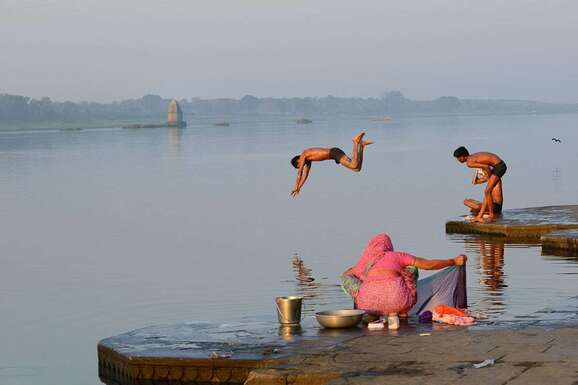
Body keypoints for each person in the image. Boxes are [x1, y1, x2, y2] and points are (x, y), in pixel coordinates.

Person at [341, 234, 467, 329]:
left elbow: (346, 275)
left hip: (367, 305)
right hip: (398, 302)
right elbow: (428, 265)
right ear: (388, 246)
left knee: (350, 280)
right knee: (411, 268)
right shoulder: (396, 256)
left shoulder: (364, 262)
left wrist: (362, 275)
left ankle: (373, 314)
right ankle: (402, 312)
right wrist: (453, 261)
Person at [289, 132, 373, 197]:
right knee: (357, 169)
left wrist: (295, 186)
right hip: (334, 155)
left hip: (334, 152)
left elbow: (300, 173)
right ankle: (361, 146)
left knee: (354, 165)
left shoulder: (304, 154)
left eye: (300, 165)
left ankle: (355, 142)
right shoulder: (308, 161)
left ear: (298, 161)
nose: (302, 166)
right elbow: (305, 175)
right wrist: (299, 188)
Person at [453, 146, 507, 223]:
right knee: (486, 191)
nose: (458, 160)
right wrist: (488, 177)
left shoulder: (469, 162)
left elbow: (486, 166)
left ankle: (490, 215)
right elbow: (485, 166)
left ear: (462, 156)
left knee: (487, 191)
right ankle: (481, 215)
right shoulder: (472, 157)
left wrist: (488, 177)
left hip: (499, 166)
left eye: (458, 158)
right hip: (499, 165)